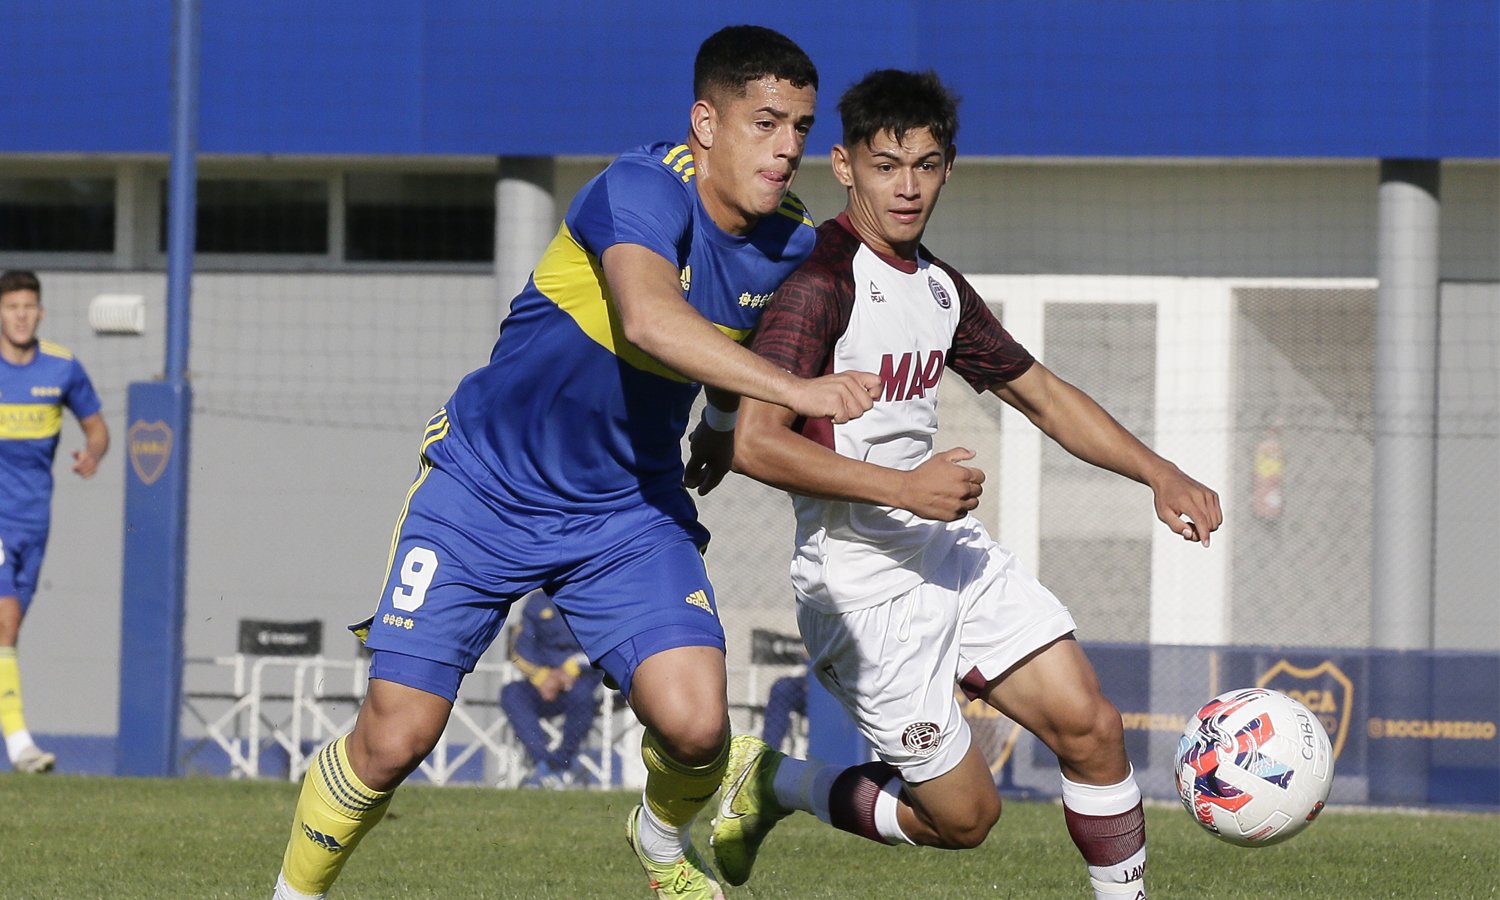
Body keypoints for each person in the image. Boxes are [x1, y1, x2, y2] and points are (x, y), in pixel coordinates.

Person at [272, 26, 882, 900]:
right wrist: (802, 389)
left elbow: (728, 331)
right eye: (766, 122)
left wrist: (715, 420)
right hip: (483, 487)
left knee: (699, 725)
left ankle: (662, 839)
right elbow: (650, 319)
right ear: (706, 123)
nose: (788, 147)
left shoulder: (790, 243)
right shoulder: (636, 188)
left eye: (800, 126)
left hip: (624, 513)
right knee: (395, 738)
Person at [711, 70, 1223, 900]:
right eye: (886, 166)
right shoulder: (819, 283)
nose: (907, 187)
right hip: (860, 589)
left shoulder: (940, 288)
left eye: (926, 164)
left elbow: (1044, 395)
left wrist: (1157, 472)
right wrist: (902, 488)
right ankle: (773, 783)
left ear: (950, 166)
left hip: (947, 554)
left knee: (1092, 728)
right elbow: (754, 444)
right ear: (843, 166)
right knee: (965, 821)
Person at [0, 270, 109, 774]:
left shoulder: (62, 368)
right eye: (11, 306)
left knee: (10, 631)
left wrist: (92, 454)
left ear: (40, 312)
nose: (20, 314)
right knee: (5, 622)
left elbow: (97, 428)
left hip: (33, 522)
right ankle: (20, 743)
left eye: (28, 306)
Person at [499, 591, 604, 788]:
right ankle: (543, 763)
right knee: (512, 693)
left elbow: (604, 643)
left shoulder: (594, 597)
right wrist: (542, 677)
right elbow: (520, 648)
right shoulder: (537, 602)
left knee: (582, 696)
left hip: (582, 685)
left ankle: (562, 762)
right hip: (543, 686)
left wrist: (571, 668)